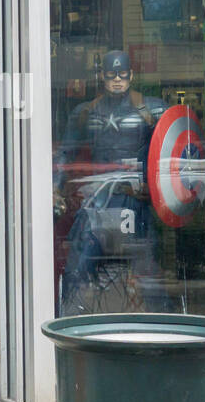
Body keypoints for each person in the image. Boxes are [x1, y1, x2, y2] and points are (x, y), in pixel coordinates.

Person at [54, 49, 169, 311]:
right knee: (77, 267)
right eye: (111, 74)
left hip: (135, 201)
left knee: (148, 274)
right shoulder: (85, 113)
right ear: (102, 76)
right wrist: (54, 188)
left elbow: (173, 147)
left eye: (122, 74)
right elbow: (65, 154)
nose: (117, 79)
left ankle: (164, 327)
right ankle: (68, 322)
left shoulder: (151, 109)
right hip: (99, 202)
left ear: (131, 75)